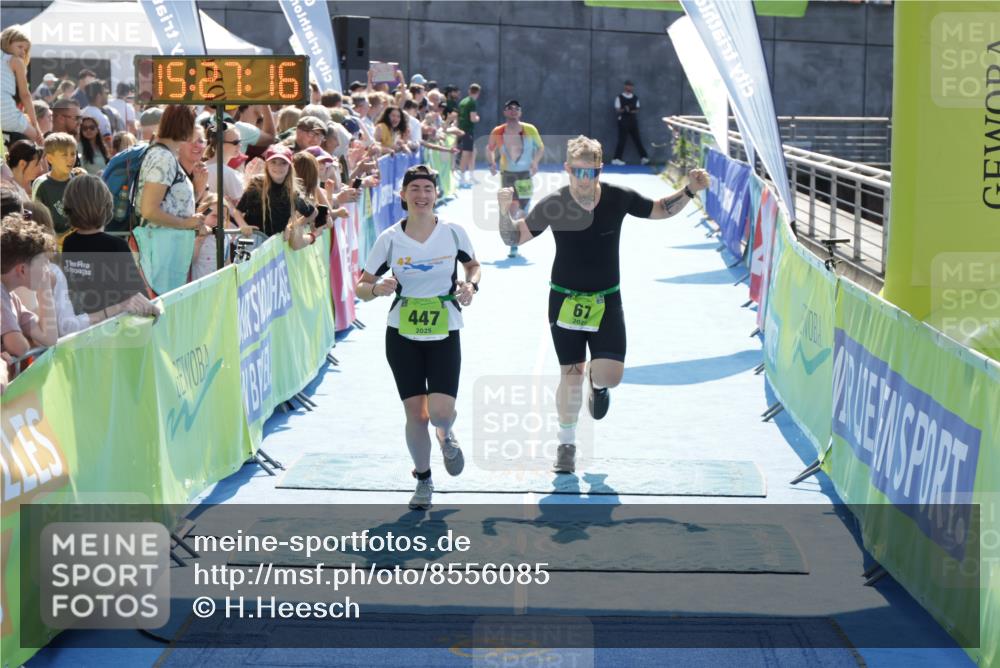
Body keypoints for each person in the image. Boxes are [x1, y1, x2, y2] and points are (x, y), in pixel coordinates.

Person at [496, 135, 708, 473]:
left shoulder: (617, 197)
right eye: (578, 172)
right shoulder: (554, 203)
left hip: (607, 299)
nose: (584, 179)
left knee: (611, 375)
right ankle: (566, 445)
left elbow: (657, 210)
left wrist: (689, 190)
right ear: (567, 169)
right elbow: (514, 237)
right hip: (564, 299)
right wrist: (503, 211)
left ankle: (599, 385)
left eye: (591, 173)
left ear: (600, 170)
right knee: (571, 374)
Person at [356, 165, 481, 510]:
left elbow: (474, 266)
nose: (422, 195)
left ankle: (446, 435)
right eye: (415, 189)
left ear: (436, 194)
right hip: (402, 334)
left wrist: (471, 285)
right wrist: (377, 288)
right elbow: (361, 287)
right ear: (403, 195)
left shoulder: (453, 233)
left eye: (428, 188)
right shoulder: (390, 238)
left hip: (445, 329)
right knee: (416, 414)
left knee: (440, 413)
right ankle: (424, 480)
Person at [57, 175, 160, 326]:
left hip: (83, 324)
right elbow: (139, 297)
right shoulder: (115, 247)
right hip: (114, 328)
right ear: (106, 206)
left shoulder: (69, 243)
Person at [134, 104, 209, 295]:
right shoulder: (163, 157)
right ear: (184, 127)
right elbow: (149, 210)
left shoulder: (163, 154)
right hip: (161, 251)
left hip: (167, 250)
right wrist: (185, 224)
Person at [486, 100, 544, 258]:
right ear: (505, 112)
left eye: (516, 109)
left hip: (525, 174)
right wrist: (491, 163)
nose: (513, 111)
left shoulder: (530, 129)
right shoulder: (498, 131)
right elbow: (489, 148)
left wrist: (535, 162)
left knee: (523, 211)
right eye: (509, 109)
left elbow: (540, 147)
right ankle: (513, 244)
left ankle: (519, 234)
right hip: (508, 175)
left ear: (520, 112)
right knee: (511, 208)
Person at [1, 213, 57, 357]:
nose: (47, 268)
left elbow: (49, 339)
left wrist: (45, 290)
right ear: (23, 270)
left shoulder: (13, 299)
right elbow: (19, 348)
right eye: (43, 262)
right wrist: (26, 342)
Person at [237, 144, 315, 238]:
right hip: (253, 241)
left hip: (275, 247)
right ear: (267, 165)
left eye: (283, 163)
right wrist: (243, 225)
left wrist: (292, 227)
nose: (278, 167)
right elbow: (237, 211)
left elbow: (313, 213)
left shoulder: (292, 192)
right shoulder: (256, 184)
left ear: (290, 167)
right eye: (273, 162)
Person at [32, 132, 78, 236]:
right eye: (64, 155)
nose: (70, 159)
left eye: (73, 154)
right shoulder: (42, 184)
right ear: (50, 158)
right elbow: (36, 222)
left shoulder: (78, 182)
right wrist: (57, 239)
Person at [1, 27, 42, 143]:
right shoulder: (16, 61)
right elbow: (25, 95)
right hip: (6, 112)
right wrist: (36, 126)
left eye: (25, 49)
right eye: (20, 47)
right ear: (7, 43)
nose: (23, 52)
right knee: (38, 143)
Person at [612, 80, 649, 166]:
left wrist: (630, 110)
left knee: (637, 139)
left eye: (631, 86)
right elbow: (617, 109)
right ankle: (616, 159)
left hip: (633, 121)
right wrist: (625, 109)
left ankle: (644, 158)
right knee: (622, 140)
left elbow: (637, 109)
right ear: (625, 87)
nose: (629, 87)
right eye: (628, 86)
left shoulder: (635, 98)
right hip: (623, 121)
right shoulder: (619, 97)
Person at [456, 84, 481, 188]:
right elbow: (473, 118)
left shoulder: (463, 101)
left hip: (461, 130)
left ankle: (471, 175)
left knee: (473, 152)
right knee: (466, 154)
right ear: (478, 92)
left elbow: (458, 117)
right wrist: (478, 118)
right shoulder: (472, 102)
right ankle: (462, 178)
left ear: (469, 91)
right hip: (467, 131)